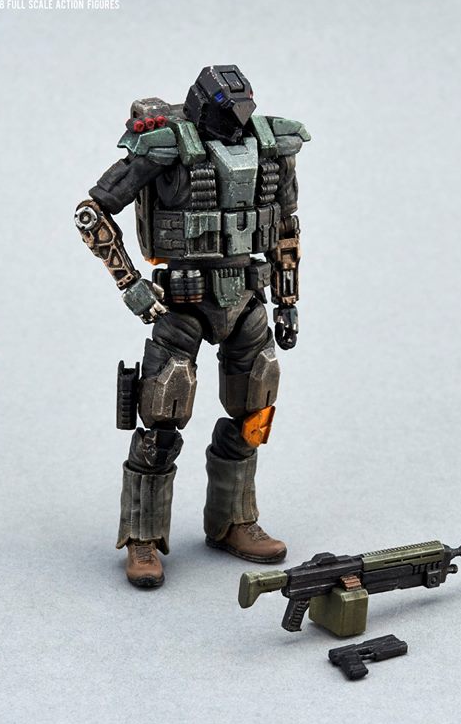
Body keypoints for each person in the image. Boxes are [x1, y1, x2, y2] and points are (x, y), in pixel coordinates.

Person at [75, 65, 309, 588]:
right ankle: (142, 537)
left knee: (254, 412)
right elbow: (91, 213)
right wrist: (132, 284)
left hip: (247, 294)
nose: (237, 122)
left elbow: (285, 226)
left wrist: (287, 299)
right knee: (162, 417)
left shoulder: (273, 146)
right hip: (181, 301)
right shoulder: (164, 147)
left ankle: (234, 520)